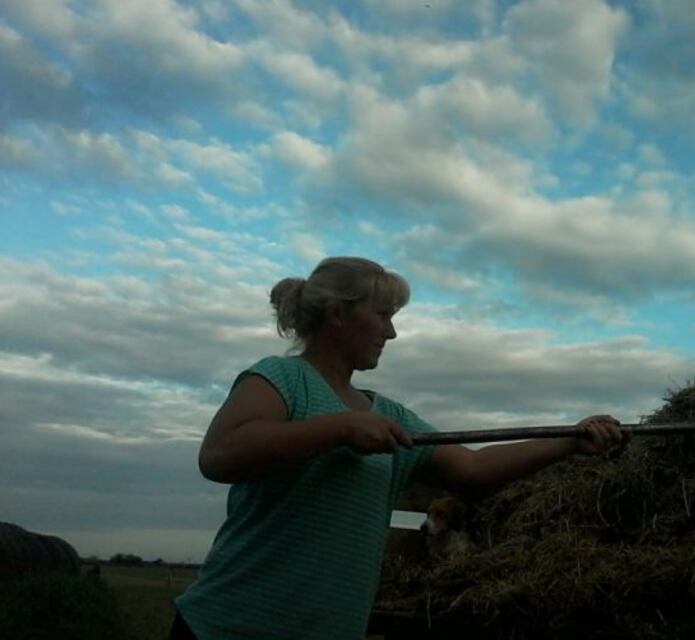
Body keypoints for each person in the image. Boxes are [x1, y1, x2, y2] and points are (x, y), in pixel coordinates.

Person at [171, 257, 628, 639]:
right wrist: (340, 429)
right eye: (383, 315)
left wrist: (569, 439)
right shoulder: (280, 379)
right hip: (230, 626)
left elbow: (472, 468)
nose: (391, 333)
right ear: (337, 314)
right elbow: (219, 454)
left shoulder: (387, 413)